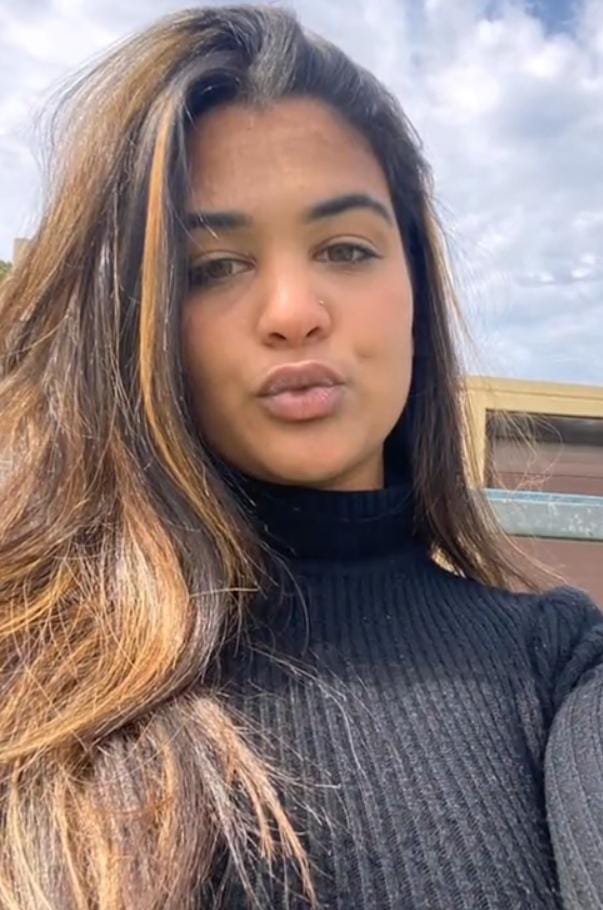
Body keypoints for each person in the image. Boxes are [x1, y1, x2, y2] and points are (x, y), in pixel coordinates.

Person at [0, 4, 601, 909]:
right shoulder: (29, 662)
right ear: (133, 322)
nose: (292, 311)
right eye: (212, 266)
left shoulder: (559, 668)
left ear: (414, 287)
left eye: (345, 249)